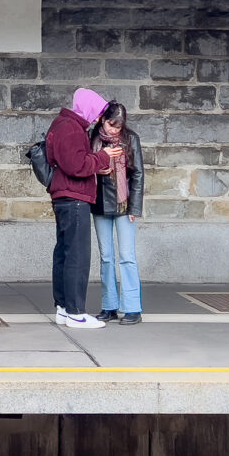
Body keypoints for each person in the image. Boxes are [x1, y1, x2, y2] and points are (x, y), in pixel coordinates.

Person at [46, 88, 122, 330]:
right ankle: (76, 312)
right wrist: (102, 157)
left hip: (64, 196)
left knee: (65, 253)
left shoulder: (63, 124)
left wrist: (94, 164)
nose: (98, 118)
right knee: (77, 256)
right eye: (98, 112)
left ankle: (63, 308)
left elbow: (72, 162)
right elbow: (75, 165)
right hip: (74, 197)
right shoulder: (70, 128)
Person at [91, 101, 145, 325]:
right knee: (106, 257)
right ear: (103, 120)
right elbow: (85, 164)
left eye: (119, 126)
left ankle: (133, 308)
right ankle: (109, 306)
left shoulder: (131, 139)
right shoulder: (92, 138)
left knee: (127, 257)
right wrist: (98, 166)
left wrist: (135, 207)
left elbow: (139, 174)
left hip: (124, 205)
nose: (116, 130)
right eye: (112, 125)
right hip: (100, 203)